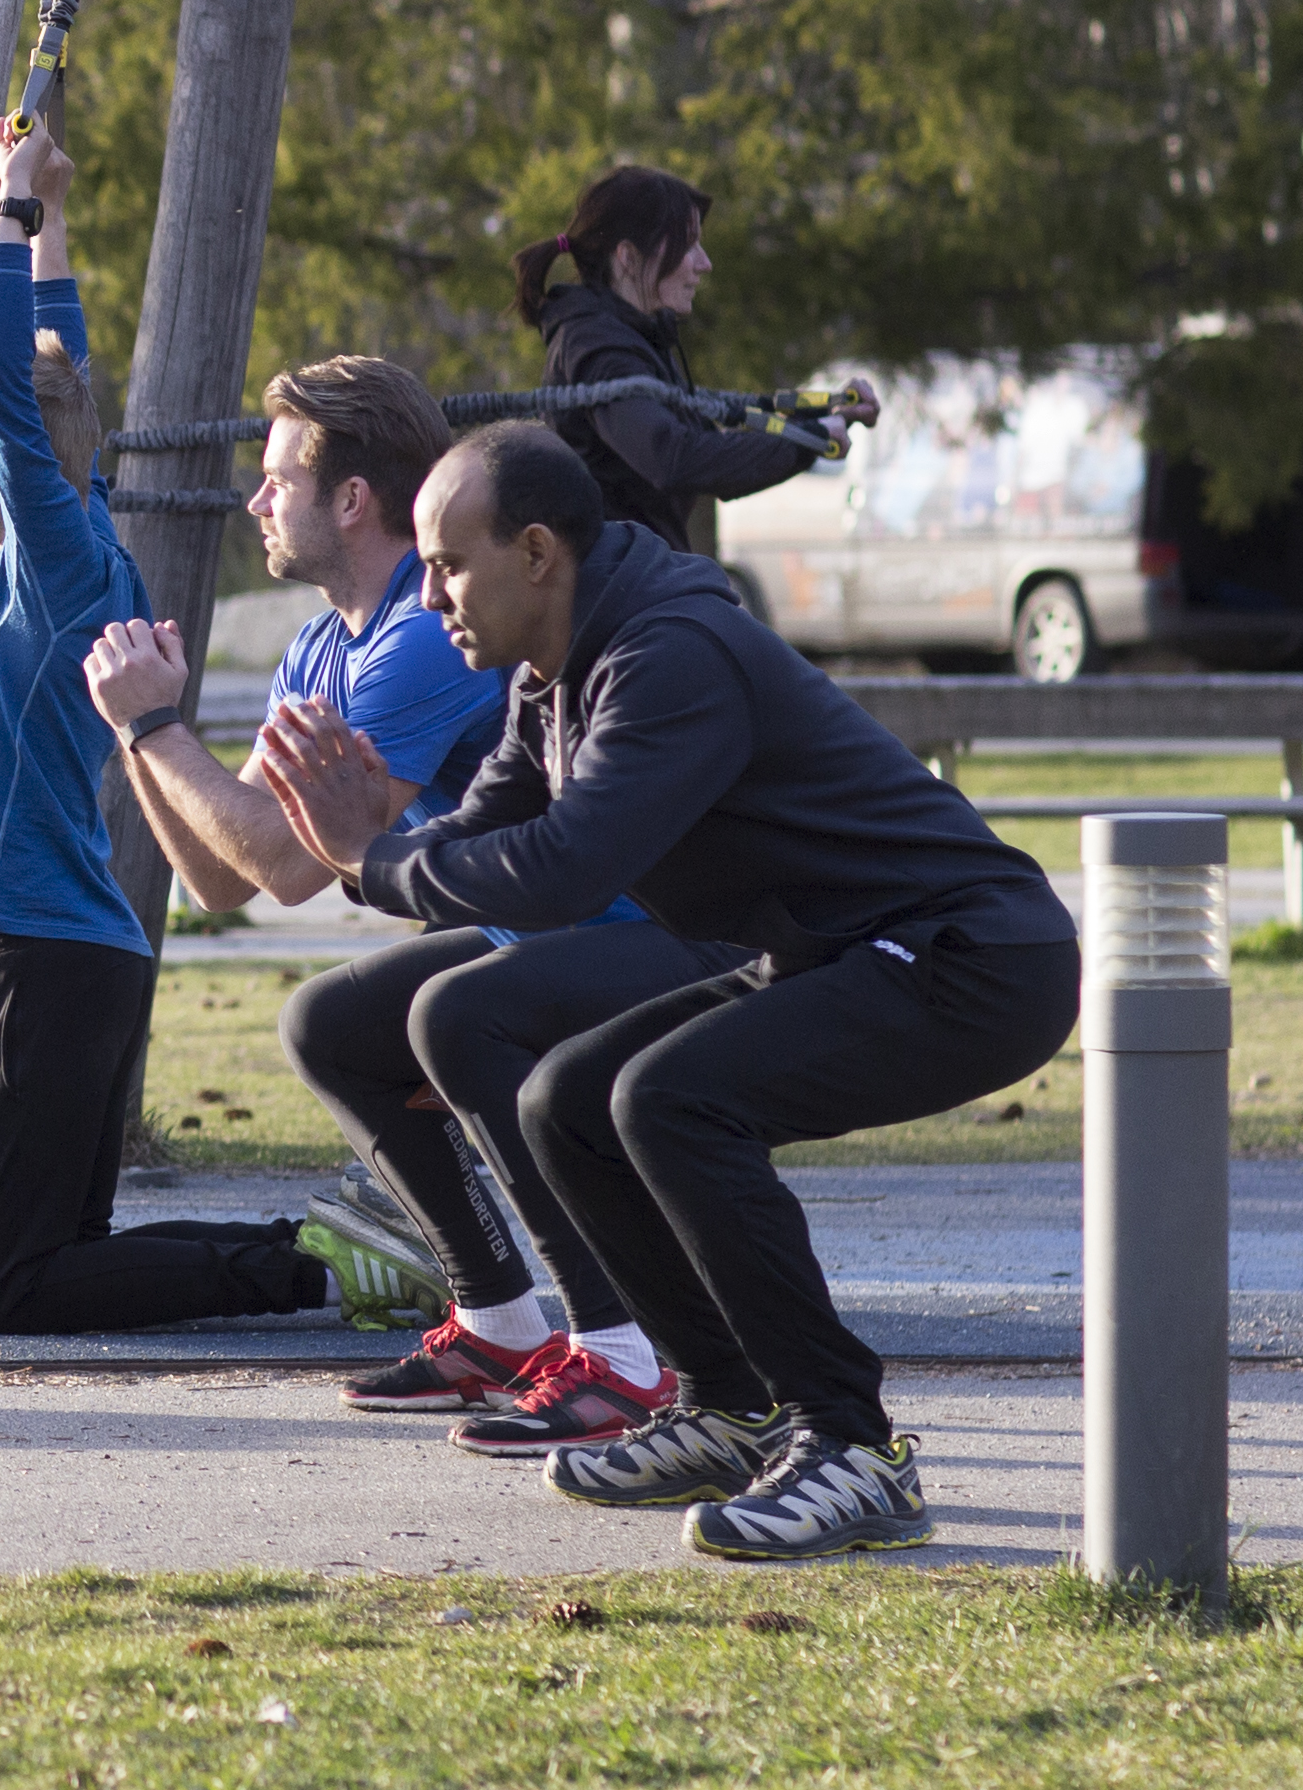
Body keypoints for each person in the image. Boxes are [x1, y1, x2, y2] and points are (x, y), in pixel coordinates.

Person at [262, 424, 1081, 1560]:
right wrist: (369, 845)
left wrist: (374, 858)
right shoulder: (550, 677)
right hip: (832, 946)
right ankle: (728, 1408)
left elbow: (564, 868)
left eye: (447, 563)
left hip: (967, 952)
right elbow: (478, 833)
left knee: (670, 1099)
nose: (429, 590)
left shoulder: (666, 653)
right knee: (567, 1099)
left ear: (537, 551)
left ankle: (852, 1444)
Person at [82, 355, 741, 1447]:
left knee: (459, 1016)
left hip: (659, 931)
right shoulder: (319, 643)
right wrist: (135, 730)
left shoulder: (419, 637)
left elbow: (289, 869)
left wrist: (157, 729)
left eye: (275, 478)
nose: (254, 500)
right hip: (535, 929)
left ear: (348, 498)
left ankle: (622, 1351)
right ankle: (498, 1320)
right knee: (331, 1024)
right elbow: (218, 878)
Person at [0, 120, 332, 1337]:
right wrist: (49, 208)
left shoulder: (59, 564)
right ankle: (327, 1256)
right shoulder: (72, 537)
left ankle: (306, 1274)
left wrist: (6, 205)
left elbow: (12, 386)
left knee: (16, 1285)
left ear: (16, 461)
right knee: (64, 1251)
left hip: (45, 958)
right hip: (65, 954)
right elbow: (60, 370)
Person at [516, 165, 866, 553]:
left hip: (641, 575)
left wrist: (824, 417)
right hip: (614, 592)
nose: (704, 263)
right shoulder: (599, 348)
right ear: (629, 257)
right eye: (687, 245)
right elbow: (675, 459)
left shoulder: (634, 338)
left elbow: (708, 450)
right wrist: (810, 441)